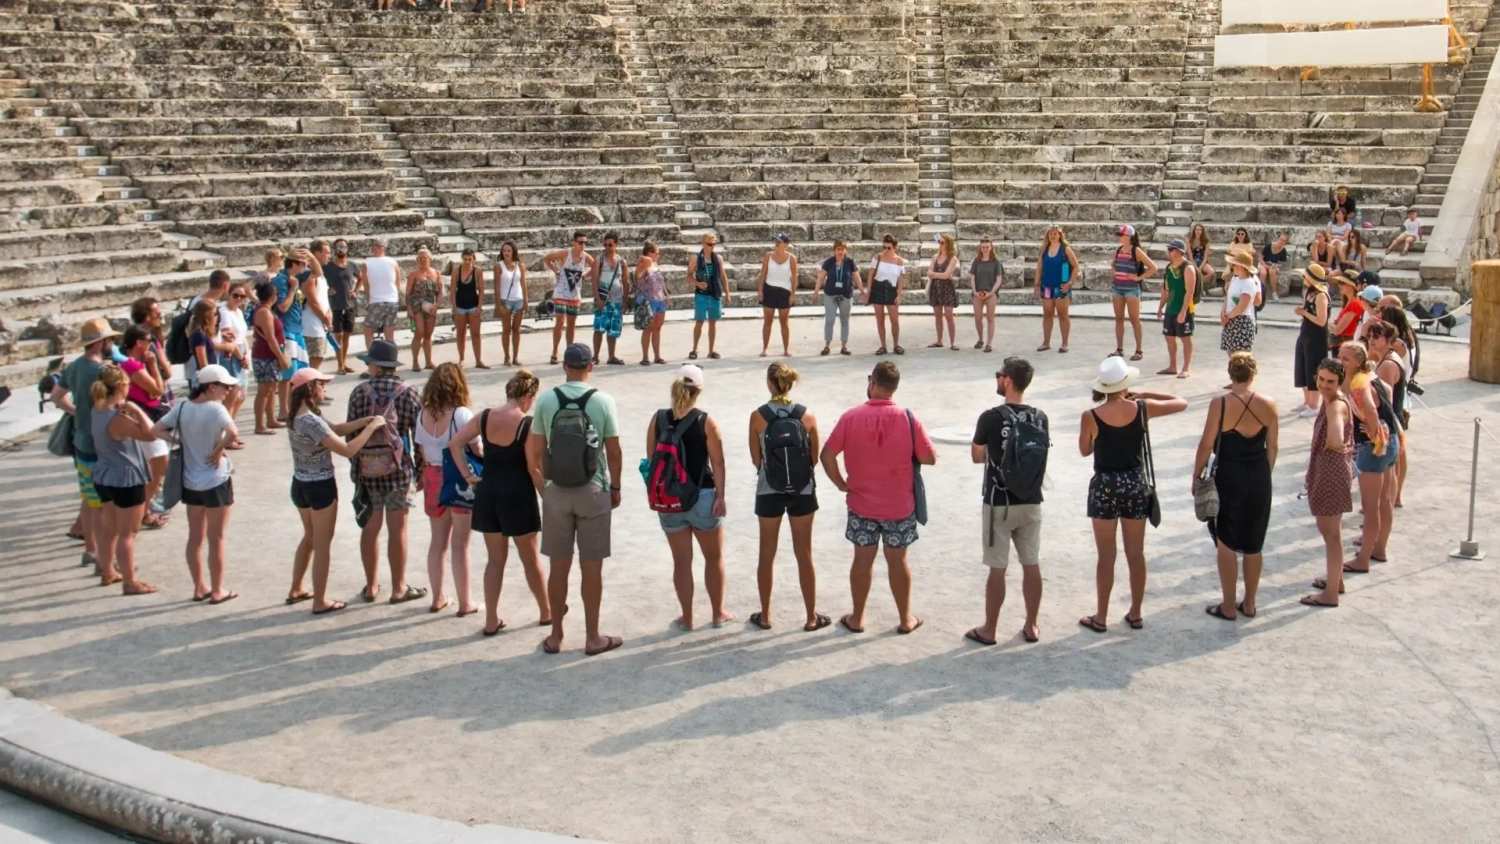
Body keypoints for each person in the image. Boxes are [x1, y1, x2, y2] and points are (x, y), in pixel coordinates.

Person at [819, 361, 935, 634]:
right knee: (898, 561)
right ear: (894, 387)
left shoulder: (851, 417)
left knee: (862, 560)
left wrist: (841, 484)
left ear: (872, 383)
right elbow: (929, 458)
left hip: (861, 504)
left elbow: (826, 455)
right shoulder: (908, 417)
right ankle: (906, 619)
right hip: (899, 505)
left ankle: (857, 617)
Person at [1077, 357, 1188, 633]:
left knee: (1106, 555)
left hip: (1104, 484)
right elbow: (1180, 402)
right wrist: (1147, 393)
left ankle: (1101, 616)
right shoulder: (1142, 409)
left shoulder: (1091, 416)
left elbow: (1085, 450)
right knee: (1136, 553)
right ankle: (1136, 612)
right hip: (1134, 484)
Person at [529, 343, 624, 655]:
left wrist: (548, 489)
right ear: (590, 367)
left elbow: (536, 453)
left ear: (564, 367)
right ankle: (593, 636)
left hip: (557, 491)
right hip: (593, 489)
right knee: (592, 568)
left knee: (558, 568)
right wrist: (616, 487)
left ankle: (556, 635)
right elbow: (613, 451)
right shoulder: (603, 401)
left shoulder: (545, 401)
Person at [453, 370, 551, 635]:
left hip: (488, 491)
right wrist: (547, 498)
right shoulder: (527, 424)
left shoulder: (484, 416)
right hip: (517, 494)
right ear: (528, 396)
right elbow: (533, 467)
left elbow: (455, 444)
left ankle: (491, 619)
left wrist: (469, 475)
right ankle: (546, 611)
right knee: (530, 559)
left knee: (495, 560)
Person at [284, 367, 385, 615]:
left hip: (300, 484)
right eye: (321, 385)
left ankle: (296, 588)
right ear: (310, 388)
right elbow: (347, 449)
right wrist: (372, 429)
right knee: (322, 544)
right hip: (320, 486)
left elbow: (337, 429)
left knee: (309, 538)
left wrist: (363, 422)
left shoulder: (297, 415)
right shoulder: (311, 420)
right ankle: (320, 601)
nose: (324, 389)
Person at [966, 357, 1048, 646]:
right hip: (1031, 499)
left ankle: (990, 628)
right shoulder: (1040, 417)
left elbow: (977, 457)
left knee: (997, 568)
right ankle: (1031, 624)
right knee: (1031, 564)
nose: (997, 378)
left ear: (1008, 381)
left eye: (999, 374)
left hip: (998, 500)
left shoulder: (990, 417)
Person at [1195, 352, 1278, 621]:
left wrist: (1196, 476)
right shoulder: (1269, 404)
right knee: (1255, 542)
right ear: (1253, 374)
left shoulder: (1220, 403)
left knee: (1226, 541)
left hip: (1228, 474)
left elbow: (1207, 444)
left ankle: (1228, 605)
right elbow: (1273, 446)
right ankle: (1250, 603)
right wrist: (1265, 473)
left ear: (1230, 374)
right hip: (1258, 474)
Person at [649, 364, 732, 630]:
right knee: (714, 557)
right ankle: (718, 613)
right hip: (702, 496)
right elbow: (717, 463)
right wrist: (721, 496)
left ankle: (687, 617)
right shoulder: (705, 420)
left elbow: (651, 461)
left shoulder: (658, 418)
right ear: (699, 390)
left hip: (669, 500)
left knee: (681, 562)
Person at [346, 338, 427, 605]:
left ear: (375, 365)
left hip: (367, 471)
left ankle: (371, 586)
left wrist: (357, 467)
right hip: (398, 470)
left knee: (370, 528)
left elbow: (351, 433)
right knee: (398, 530)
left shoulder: (359, 392)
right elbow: (419, 437)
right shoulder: (409, 392)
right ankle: (398, 588)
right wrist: (420, 469)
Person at [748, 362, 827, 631]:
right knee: (804, 554)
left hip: (769, 490)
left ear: (770, 384)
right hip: (803, 490)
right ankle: (811, 617)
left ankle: (766, 615)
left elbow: (756, 460)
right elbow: (813, 458)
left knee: (766, 554)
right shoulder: (808, 415)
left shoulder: (758, 417)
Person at [153, 364, 239, 605]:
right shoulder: (216, 409)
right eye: (224, 387)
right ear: (211, 387)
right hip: (215, 479)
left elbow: (155, 429)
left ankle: (199, 587)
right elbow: (233, 432)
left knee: (195, 538)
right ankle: (218, 590)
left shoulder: (182, 408)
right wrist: (218, 450)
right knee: (217, 538)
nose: (227, 391)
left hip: (190, 482)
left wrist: (179, 440)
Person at [1321, 340, 1400, 591]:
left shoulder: (1358, 382)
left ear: (1356, 361)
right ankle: (1380, 548)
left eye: (1345, 359)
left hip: (1373, 447)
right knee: (1385, 500)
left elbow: (1369, 406)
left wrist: (1373, 430)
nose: (1340, 361)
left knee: (1371, 506)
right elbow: (1387, 390)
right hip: (1392, 441)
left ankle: (1364, 558)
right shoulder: (1371, 373)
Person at [51, 318, 120, 571]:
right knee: (104, 504)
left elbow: (56, 396)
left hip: (81, 440)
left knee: (88, 498)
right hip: (102, 443)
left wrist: (76, 412)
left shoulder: (74, 367)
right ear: (101, 342)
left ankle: (90, 549)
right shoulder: (102, 372)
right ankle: (104, 556)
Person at [88, 363, 158, 595]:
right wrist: (137, 410)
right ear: (121, 387)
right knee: (128, 533)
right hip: (126, 478)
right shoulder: (117, 418)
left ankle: (108, 571)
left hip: (104, 475)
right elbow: (150, 433)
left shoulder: (97, 409)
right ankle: (130, 581)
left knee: (109, 528)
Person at [416, 363, 480, 615]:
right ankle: (466, 602)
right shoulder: (461, 414)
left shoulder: (423, 413)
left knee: (438, 542)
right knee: (461, 544)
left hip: (433, 474)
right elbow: (476, 448)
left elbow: (422, 451)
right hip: (458, 476)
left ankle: (438, 597)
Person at [1301, 358, 1354, 608]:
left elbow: (1336, 437)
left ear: (1339, 381)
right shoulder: (1334, 400)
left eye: (1330, 381)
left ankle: (1331, 593)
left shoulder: (1334, 405)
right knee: (1332, 533)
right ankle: (1337, 582)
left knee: (1331, 535)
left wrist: (1335, 445)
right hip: (1330, 470)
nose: (1324, 385)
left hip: (1331, 471)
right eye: (1321, 379)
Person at [117, 319, 171, 526]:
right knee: (159, 462)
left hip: (145, 414)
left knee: (152, 466)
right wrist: (154, 367)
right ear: (138, 342)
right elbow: (157, 390)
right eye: (148, 340)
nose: (150, 344)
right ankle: (143, 511)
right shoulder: (130, 365)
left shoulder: (136, 364)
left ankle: (144, 510)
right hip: (141, 417)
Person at [544, 231, 595, 364]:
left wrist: (585, 275)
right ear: (574, 242)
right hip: (561, 292)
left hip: (574, 293)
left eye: (584, 242)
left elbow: (596, 266)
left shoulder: (585, 257)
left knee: (571, 325)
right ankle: (555, 352)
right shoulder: (565, 253)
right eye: (580, 242)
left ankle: (569, 353)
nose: (582, 245)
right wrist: (556, 271)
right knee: (560, 322)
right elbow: (548, 258)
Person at [272, 251, 311, 415]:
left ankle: (293, 408)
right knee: (288, 374)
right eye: (303, 263)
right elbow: (282, 307)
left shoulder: (295, 279)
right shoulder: (281, 280)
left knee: (300, 372)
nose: (306, 267)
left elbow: (317, 271)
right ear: (294, 264)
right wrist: (293, 289)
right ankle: (283, 411)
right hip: (286, 330)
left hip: (296, 329)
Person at [251, 281, 291, 435]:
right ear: (272, 296)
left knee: (271, 388)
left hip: (270, 354)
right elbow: (270, 337)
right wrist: (281, 357)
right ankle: (260, 424)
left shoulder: (267, 310)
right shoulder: (264, 312)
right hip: (265, 355)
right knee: (264, 390)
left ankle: (270, 419)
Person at [1111, 224, 1155, 361]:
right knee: (1119, 319)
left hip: (1131, 288)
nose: (1120, 237)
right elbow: (1113, 263)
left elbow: (1152, 267)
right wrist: (1114, 272)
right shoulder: (1118, 250)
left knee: (1134, 319)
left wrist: (1138, 278)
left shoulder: (1136, 251)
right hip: (1118, 287)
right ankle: (1119, 349)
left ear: (1129, 236)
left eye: (1122, 235)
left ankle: (1139, 350)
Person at [1293, 264, 1332, 418]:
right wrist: (1302, 311)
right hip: (1306, 332)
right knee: (1302, 367)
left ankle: (1314, 404)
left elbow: (1322, 321)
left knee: (1313, 369)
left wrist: (1304, 312)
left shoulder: (1321, 295)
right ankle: (1307, 401)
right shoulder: (1309, 292)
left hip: (1317, 336)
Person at [1157, 238, 1197, 378]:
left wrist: (1183, 311)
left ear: (1179, 252)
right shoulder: (1169, 267)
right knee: (1169, 337)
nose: (1169, 251)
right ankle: (1172, 366)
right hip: (1171, 307)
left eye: (1171, 249)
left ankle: (1186, 368)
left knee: (1185, 337)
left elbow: (1190, 291)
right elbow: (1165, 289)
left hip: (1184, 308)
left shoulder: (1188, 268)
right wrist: (1160, 307)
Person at [1034, 226, 1077, 353]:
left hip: (1061, 286)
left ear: (1059, 235)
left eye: (1055, 234)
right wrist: (1036, 285)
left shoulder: (1066, 250)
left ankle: (1064, 343)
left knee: (1063, 314)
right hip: (1047, 286)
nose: (1053, 236)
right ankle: (1046, 342)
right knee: (1047, 314)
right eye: (1050, 234)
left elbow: (1075, 266)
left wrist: (1070, 282)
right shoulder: (1044, 250)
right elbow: (1039, 268)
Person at [217, 282, 250, 445]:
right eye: (235, 295)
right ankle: (226, 436)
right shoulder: (224, 312)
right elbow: (228, 336)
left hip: (241, 351)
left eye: (242, 296)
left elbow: (242, 335)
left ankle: (232, 429)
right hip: (231, 354)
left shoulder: (239, 312)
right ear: (228, 295)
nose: (238, 299)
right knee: (231, 396)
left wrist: (247, 354)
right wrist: (240, 357)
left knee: (241, 396)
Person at [688, 232, 729, 360]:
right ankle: (694, 349)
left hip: (715, 293)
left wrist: (727, 293)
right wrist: (697, 283)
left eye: (714, 244)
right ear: (703, 243)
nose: (712, 247)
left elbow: (723, 276)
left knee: (713, 323)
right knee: (699, 322)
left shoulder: (718, 258)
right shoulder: (695, 259)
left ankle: (711, 350)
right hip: (701, 295)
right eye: (709, 244)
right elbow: (688, 275)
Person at [816, 240, 861, 356]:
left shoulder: (850, 262)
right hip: (830, 294)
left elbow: (856, 277)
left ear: (846, 250)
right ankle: (827, 346)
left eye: (842, 249)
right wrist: (816, 292)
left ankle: (844, 346)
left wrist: (862, 291)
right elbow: (821, 277)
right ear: (834, 250)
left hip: (846, 295)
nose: (840, 251)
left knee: (845, 321)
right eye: (838, 249)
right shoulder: (828, 262)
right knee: (830, 320)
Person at [757, 233, 799, 357]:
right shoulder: (768, 256)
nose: (776, 243)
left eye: (779, 241)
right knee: (768, 320)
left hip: (784, 291)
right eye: (776, 241)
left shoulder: (791, 258)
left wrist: (793, 293)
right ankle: (765, 348)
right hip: (769, 289)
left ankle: (786, 349)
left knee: (784, 322)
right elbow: (763, 274)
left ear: (786, 244)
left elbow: (794, 277)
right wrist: (760, 290)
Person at [590, 232, 629, 366]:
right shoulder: (599, 260)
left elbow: (625, 281)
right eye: (605, 245)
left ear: (616, 245)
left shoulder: (622, 261)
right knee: (599, 328)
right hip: (603, 298)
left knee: (613, 329)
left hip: (617, 299)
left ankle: (611, 356)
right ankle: (595, 356)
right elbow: (594, 280)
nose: (607, 247)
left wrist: (625, 300)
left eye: (610, 244)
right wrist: (597, 299)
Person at [359, 238, 403, 356]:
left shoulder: (367, 264)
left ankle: (372, 358)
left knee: (368, 331)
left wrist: (370, 299)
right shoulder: (393, 262)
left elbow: (366, 286)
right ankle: (391, 360)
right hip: (392, 300)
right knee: (389, 334)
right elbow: (398, 283)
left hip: (376, 301)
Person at [867, 233, 907, 356]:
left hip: (891, 289)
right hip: (878, 288)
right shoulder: (878, 257)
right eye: (884, 247)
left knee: (894, 319)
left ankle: (896, 344)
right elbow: (870, 275)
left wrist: (899, 294)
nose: (886, 250)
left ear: (894, 247)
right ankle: (883, 346)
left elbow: (901, 278)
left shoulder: (899, 261)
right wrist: (868, 292)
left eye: (889, 248)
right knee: (880, 319)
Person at [406, 247, 443, 372]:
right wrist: (409, 308)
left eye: (424, 258)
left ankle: (428, 361)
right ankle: (415, 361)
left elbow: (440, 291)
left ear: (430, 259)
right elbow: (408, 293)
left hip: (430, 306)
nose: (422, 260)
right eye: (420, 258)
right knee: (419, 332)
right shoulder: (414, 274)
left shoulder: (436, 273)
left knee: (428, 334)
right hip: (417, 305)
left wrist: (436, 305)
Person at [324, 238, 358, 374]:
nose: (341, 250)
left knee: (347, 335)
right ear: (334, 249)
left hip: (349, 305)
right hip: (335, 305)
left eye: (344, 247)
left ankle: (344, 363)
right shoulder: (327, 266)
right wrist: (326, 290)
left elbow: (361, 277)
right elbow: (317, 279)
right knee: (338, 335)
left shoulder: (352, 265)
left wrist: (355, 291)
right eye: (339, 247)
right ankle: (340, 366)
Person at [1220, 249, 1260, 361]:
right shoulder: (1234, 279)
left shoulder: (1249, 283)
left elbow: (1242, 306)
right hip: (1231, 319)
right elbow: (1228, 298)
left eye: (1235, 264)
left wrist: (1228, 317)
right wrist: (1223, 313)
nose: (1232, 266)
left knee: (1241, 356)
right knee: (1231, 352)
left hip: (1242, 321)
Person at [493, 241, 528, 367]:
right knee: (506, 329)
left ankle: (515, 356)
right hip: (505, 300)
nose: (506, 253)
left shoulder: (520, 266)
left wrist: (526, 300)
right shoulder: (499, 266)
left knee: (517, 330)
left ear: (513, 252)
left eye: (508, 250)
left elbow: (523, 283)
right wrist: (498, 304)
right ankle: (506, 357)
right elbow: (496, 286)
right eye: (504, 251)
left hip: (518, 298)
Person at [451, 248, 487, 369]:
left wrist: (479, 306)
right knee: (460, 333)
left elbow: (481, 290)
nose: (467, 262)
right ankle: (461, 359)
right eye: (465, 259)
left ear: (473, 259)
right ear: (462, 259)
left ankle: (478, 360)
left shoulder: (478, 271)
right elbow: (452, 291)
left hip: (473, 305)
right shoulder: (457, 271)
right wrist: (454, 308)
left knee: (476, 333)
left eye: (469, 259)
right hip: (460, 305)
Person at [302, 241, 334, 371]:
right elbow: (311, 300)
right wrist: (324, 318)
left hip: (320, 324)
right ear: (317, 254)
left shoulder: (320, 276)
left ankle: (313, 387)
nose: (329, 256)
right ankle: (310, 388)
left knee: (319, 357)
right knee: (314, 359)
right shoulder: (310, 275)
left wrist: (329, 312)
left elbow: (322, 297)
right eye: (326, 252)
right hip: (311, 325)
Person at [636, 240, 668, 365]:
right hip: (648, 300)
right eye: (656, 253)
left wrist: (666, 294)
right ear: (649, 253)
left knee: (657, 328)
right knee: (648, 329)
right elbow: (638, 276)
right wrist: (645, 259)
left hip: (660, 299)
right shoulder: (644, 265)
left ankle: (657, 356)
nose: (658, 255)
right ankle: (645, 357)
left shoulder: (655, 265)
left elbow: (661, 281)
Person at [969, 236, 1003, 352]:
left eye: (987, 247)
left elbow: (999, 279)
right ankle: (980, 339)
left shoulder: (996, 262)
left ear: (991, 247)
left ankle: (989, 343)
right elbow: (972, 278)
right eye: (983, 247)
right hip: (978, 292)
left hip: (990, 293)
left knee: (990, 318)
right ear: (980, 248)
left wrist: (991, 292)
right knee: (978, 318)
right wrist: (974, 292)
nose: (985, 249)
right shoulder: (976, 261)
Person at [925, 233, 959, 350]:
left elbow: (946, 275)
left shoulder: (953, 259)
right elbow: (929, 272)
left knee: (949, 315)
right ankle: (939, 340)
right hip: (936, 288)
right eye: (939, 242)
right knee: (938, 316)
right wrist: (937, 275)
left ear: (948, 244)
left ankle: (953, 342)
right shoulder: (935, 257)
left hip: (947, 289)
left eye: (942, 242)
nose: (940, 244)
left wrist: (934, 274)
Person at [184, 298, 222, 389]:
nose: (217, 317)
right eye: (215, 314)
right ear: (207, 316)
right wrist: (210, 382)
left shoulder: (203, 334)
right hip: (206, 379)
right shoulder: (199, 335)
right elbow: (203, 363)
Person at [1327, 273, 1365, 353]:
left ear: (1352, 286)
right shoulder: (1350, 302)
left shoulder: (1354, 303)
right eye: (1339, 283)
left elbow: (1338, 330)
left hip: (1344, 345)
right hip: (1342, 344)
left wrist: (1327, 323)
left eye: (1343, 283)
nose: (1340, 285)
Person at [1187, 224, 1216, 291]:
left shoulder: (1206, 242)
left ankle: (1197, 284)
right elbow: (1190, 257)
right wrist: (1196, 267)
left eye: (1200, 230)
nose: (1198, 231)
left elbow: (1205, 257)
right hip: (1192, 261)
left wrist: (1200, 267)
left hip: (1202, 261)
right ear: (1194, 231)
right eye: (1196, 230)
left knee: (1211, 272)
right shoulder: (1189, 241)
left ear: (1202, 231)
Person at [1259, 232, 1289, 299]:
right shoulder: (1268, 246)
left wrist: (1276, 266)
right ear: (1277, 239)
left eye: (1284, 241)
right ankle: (1261, 292)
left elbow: (1282, 263)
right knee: (1263, 273)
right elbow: (1260, 258)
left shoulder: (1283, 250)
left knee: (1272, 272)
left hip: (1274, 265)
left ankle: (1274, 292)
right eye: (1281, 239)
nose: (1282, 242)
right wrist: (1264, 265)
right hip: (1264, 263)